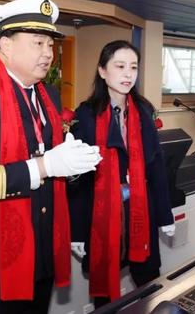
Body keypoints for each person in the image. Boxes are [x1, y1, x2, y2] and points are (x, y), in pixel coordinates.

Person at [0, 0, 102, 314]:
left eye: (50, 44)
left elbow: (48, 163)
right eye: (38, 43)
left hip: (40, 252)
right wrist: (45, 165)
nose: (48, 53)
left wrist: (70, 166)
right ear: (6, 44)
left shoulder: (48, 95)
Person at [68, 40, 175, 307]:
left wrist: (165, 215)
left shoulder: (144, 111)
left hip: (140, 210)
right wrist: (77, 231)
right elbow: (79, 180)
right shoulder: (86, 115)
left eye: (133, 67)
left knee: (150, 283)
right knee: (105, 293)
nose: (128, 74)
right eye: (120, 66)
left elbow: (156, 167)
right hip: (102, 213)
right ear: (102, 71)